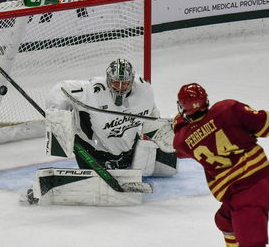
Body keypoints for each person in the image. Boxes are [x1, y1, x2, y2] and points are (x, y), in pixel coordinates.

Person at [172, 83, 269, 247]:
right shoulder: (228, 109)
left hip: (245, 195)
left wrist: (178, 124)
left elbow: (180, 144)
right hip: (260, 180)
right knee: (223, 219)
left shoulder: (183, 140)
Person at [45, 58, 177, 177]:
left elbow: (152, 114)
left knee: (171, 167)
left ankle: (124, 162)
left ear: (131, 81)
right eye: (115, 83)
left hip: (128, 151)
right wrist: (58, 122)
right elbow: (59, 90)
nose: (120, 88)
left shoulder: (144, 89)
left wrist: (159, 133)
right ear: (108, 79)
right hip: (92, 153)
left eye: (124, 83)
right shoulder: (93, 90)